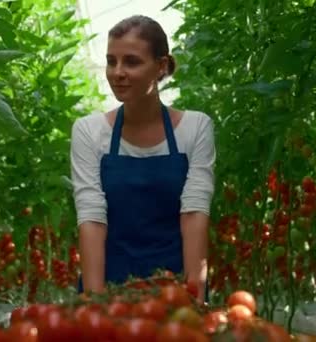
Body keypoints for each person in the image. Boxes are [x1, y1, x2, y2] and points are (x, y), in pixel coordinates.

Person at [70, 15, 215, 302]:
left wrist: (194, 300)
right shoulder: (89, 131)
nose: (117, 72)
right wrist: (95, 305)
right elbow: (92, 219)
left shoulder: (195, 128)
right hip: (109, 287)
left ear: (160, 66)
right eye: (112, 61)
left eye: (132, 62)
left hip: (174, 288)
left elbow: (194, 214)